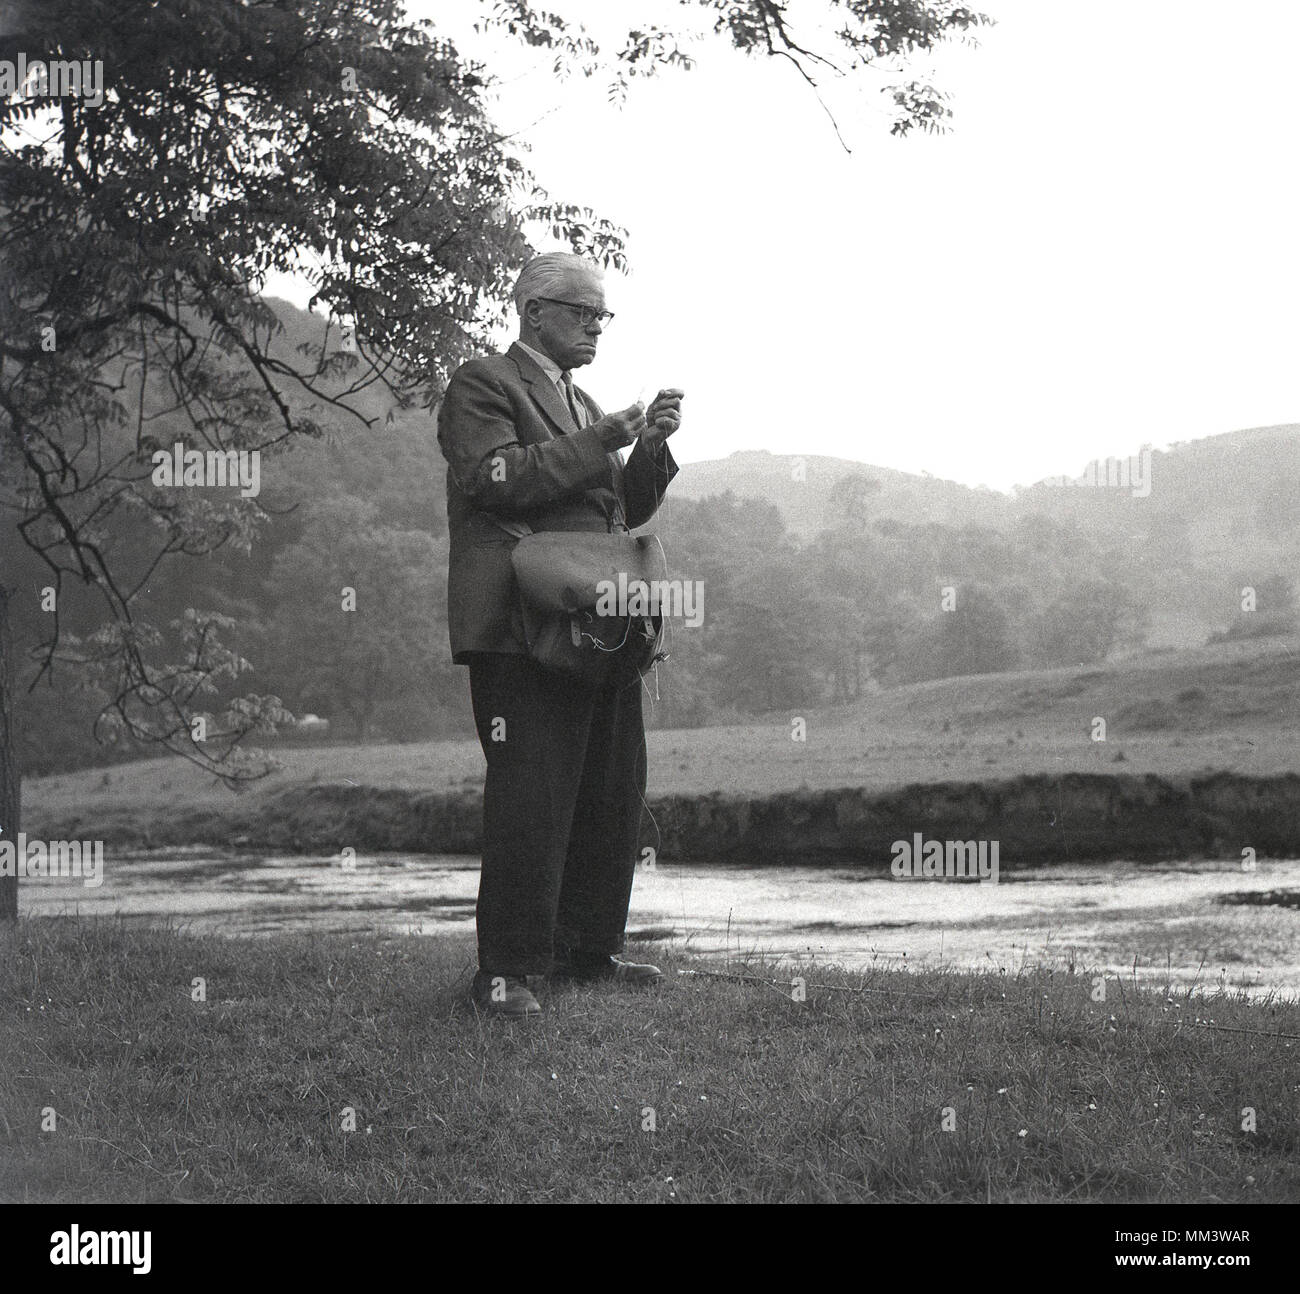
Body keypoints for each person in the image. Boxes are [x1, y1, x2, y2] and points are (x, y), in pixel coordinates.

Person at [437, 251, 683, 1017]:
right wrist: (598, 438)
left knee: (611, 787)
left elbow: (620, 513)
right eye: (583, 313)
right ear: (533, 311)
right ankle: (506, 973)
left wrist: (645, 450)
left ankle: (588, 952)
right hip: (519, 625)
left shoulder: (584, 404)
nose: (596, 328)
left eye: (602, 316)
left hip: (595, 621)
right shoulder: (482, 382)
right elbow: (493, 478)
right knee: (532, 796)